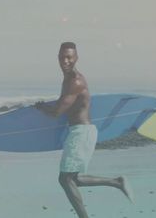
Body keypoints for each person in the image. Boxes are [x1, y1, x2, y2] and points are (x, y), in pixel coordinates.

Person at [35, 42, 134, 218]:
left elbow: (58, 112)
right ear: (57, 57)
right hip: (80, 132)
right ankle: (117, 182)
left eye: (69, 57)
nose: (65, 61)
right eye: (62, 57)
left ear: (76, 58)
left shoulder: (75, 81)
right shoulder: (68, 79)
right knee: (73, 179)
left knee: (65, 179)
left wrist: (42, 108)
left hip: (81, 133)